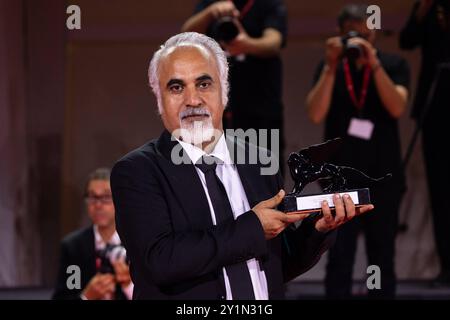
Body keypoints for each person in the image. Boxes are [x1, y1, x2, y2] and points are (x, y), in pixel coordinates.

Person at [110, 32, 374, 300]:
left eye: (204, 84)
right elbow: (161, 261)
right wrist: (253, 228)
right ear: (159, 99)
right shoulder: (137, 171)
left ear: (224, 92)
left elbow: (275, 263)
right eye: (176, 87)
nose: (192, 100)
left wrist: (317, 230)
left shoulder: (259, 160)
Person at [306, 4, 410, 299]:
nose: (362, 38)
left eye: (367, 32)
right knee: (339, 255)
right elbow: (315, 113)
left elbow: (398, 106)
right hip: (340, 179)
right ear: (340, 33)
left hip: (383, 178)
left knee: (381, 257)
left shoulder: (392, 65)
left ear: (375, 32)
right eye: (354, 33)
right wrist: (329, 65)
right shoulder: (332, 69)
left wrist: (373, 63)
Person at [181, 0, 287, 173]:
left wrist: (246, 44)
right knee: (216, 171)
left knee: (264, 171)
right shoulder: (212, 3)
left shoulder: (269, 4)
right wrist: (211, 12)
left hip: (261, 107)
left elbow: (274, 42)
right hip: (216, 110)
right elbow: (185, 36)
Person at [399, 0, 450, 287]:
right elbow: (407, 40)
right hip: (435, 104)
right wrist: (422, 10)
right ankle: (446, 266)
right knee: (441, 192)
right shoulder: (428, 6)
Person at [53, 168, 133, 300]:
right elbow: (64, 296)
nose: (98, 205)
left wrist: (128, 285)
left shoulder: (135, 243)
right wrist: (86, 296)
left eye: (106, 197)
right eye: (92, 197)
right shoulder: (74, 248)